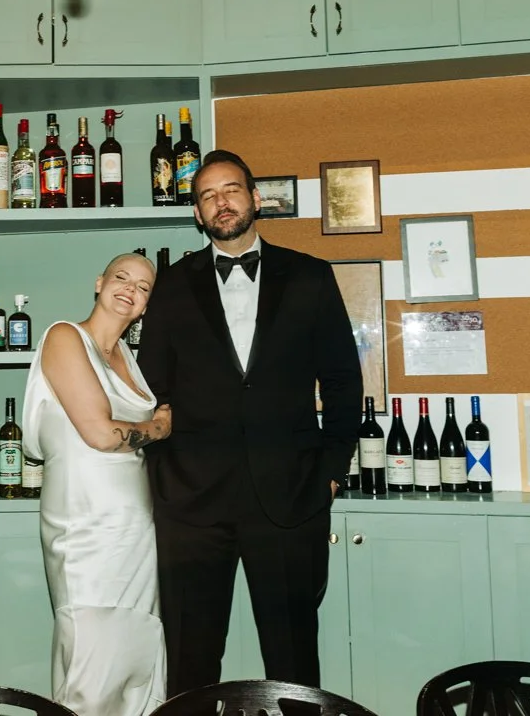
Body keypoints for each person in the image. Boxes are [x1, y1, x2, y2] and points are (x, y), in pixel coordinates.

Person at [138, 149, 362, 695]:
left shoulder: (311, 277)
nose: (221, 202)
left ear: (255, 198)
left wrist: (331, 467)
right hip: (191, 503)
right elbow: (150, 387)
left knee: (292, 662)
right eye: (207, 195)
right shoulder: (169, 286)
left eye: (231, 189)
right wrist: (163, 473)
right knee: (190, 661)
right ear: (196, 213)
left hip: (289, 497)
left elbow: (341, 379)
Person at [22, 252, 173, 716]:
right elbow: (102, 434)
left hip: (134, 527)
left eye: (143, 286)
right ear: (99, 283)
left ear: (146, 305)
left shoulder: (128, 354)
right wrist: (160, 428)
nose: (130, 288)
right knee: (91, 660)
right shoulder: (65, 336)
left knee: (135, 656)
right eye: (121, 277)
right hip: (84, 525)